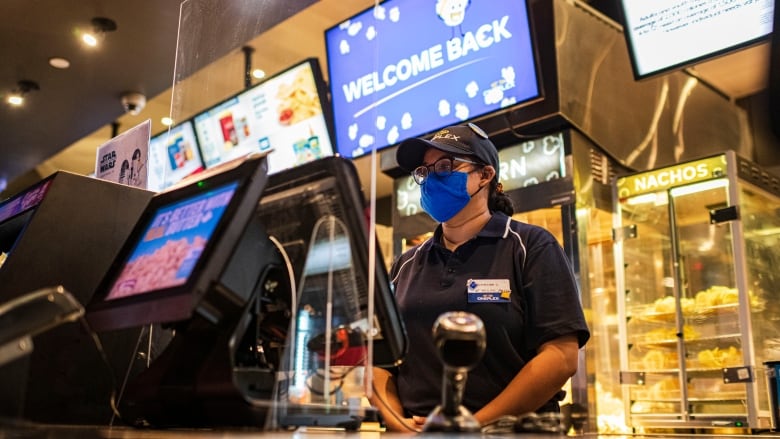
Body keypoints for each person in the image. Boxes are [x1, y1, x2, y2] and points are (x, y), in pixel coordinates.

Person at [369, 123, 590, 432]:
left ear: (485, 176)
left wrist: (469, 425)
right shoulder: (406, 263)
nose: (431, 178)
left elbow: (561, 356)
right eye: (425, 170)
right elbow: (381, 361)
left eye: (445, 166)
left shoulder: (530, 246)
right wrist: (400, 424)